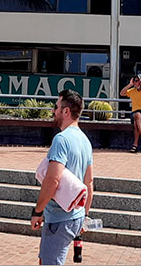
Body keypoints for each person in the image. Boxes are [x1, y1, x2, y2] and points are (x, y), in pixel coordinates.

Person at [30, 90, 94, 266]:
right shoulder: (85, 141)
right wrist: (85, 215)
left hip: (59, 219)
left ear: (66, 112)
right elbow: (89, 183)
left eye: (56, 107)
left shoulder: (61, 140)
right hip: (76, 216)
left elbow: (53, 180)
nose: (53, 111)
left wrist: (38, 211)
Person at [120, 73, 141, 153]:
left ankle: (135, 145)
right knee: (137, 114)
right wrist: (130, 84)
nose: (135, 83)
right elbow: (122, 93)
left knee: (136, 123)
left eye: (137, 81)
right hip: (135, 113)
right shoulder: (132, 91)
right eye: (134, 81)